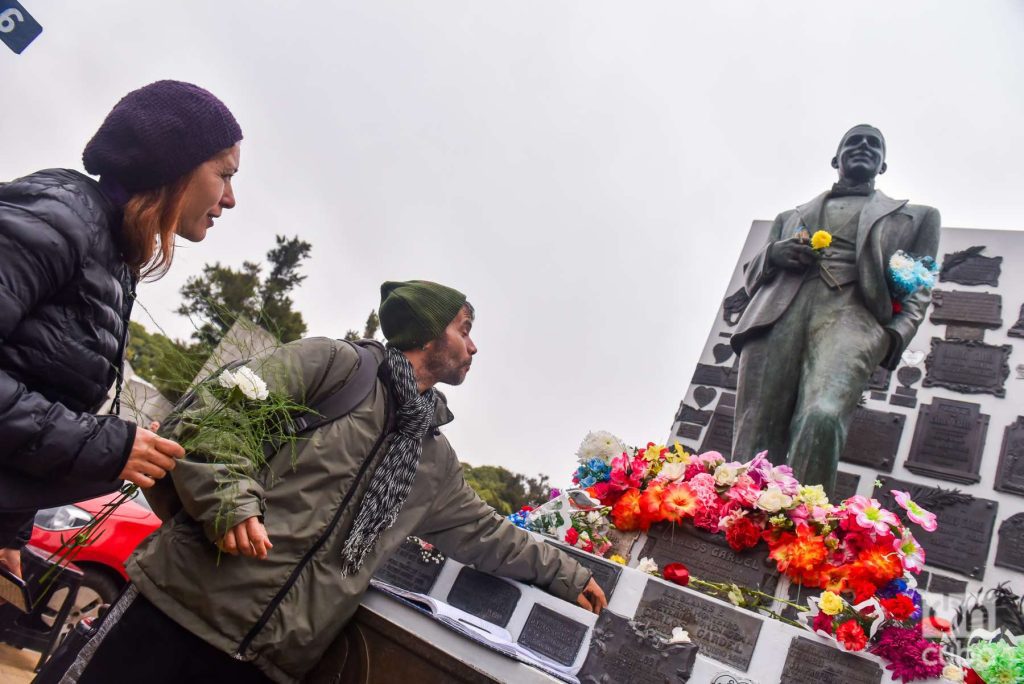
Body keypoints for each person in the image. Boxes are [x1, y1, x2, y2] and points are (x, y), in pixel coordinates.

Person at [54, 280, 607, 684]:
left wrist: (566, 573)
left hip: (265, 662)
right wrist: (230, 501)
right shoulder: (333, 365)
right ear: (427, 331)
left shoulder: (432, 459)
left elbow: (486, 533)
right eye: (465, 330)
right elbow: (215, 414)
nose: (474, 347)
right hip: (177, 608)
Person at [0, 80, 243, 588]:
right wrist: (104, 445)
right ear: (173, 163)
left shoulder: (110, 251)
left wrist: (8, 533)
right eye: (224, 174)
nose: (231, 198)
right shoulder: (59, 217)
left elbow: (33, 382)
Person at [730, 125, 940, 498]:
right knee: (755, 427)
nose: (863, 147)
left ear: (883, 164)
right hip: (777, 314)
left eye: (873, 144)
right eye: (853, 142)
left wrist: (893, 337)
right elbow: (751, 279)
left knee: (823, 415)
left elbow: (920, 285)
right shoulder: (790, 216)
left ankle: (801, 530)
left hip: (853, 316)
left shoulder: (917, 217)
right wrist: (774, 254)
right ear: (835, 158)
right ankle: (736, 519)